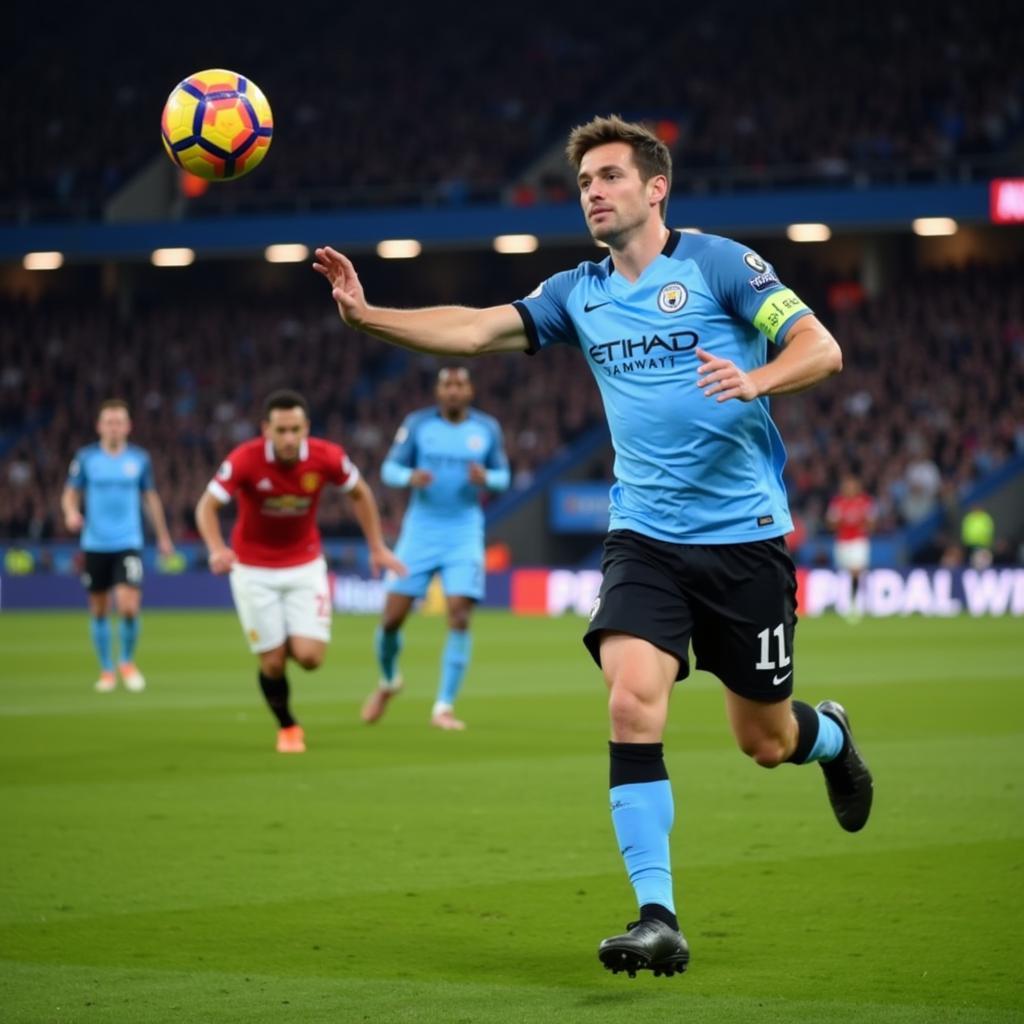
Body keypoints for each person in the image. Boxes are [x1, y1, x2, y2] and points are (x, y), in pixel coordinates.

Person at [312, 114, 873, 977]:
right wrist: (367, 316)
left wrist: (754, 378)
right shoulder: (578, 292)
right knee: (628, 703)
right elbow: (471, 329)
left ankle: (828, 737)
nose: (594, 194)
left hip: (745, 543)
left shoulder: (719, 264)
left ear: (655, 189)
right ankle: (659, 916)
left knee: (763, 740)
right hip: (644, 537)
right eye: (583, 184)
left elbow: (820, 346)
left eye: (609, 177)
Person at [194, 389, 405, 753]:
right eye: (281, 430)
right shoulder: (245, 459)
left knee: (309, 658)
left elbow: (361, 493)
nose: (289, 438)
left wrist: (376, 546)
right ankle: (288, 726)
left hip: (305, 565)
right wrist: (216, 549)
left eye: (295, 429)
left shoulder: (327, 457)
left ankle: (280, 637)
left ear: (306, 427)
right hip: (252, 569)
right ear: (266, 429)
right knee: (273, 664)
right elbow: (207, 505)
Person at [362, 365, 510, 731]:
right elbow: (388, 470)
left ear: (470, 390)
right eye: (448, 385)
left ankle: (443, 706)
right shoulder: (418, 425)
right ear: (438, 391)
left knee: (459, 614)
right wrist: (409, 476)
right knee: (392, 619)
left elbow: (504, 477)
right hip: (420, 532)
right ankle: (389, 680)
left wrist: (487, 478)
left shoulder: (487, 429)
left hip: (463, 532)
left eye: (461, 384)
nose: (454, 390)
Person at [61, 399, 175, 693]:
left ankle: (126, 661)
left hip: (128, 542)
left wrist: (163, 536)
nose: (113, 427)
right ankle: (106, 669)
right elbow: (70, 493)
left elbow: (151, 498)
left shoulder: (139, 459)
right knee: (99, 609)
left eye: (119, 422)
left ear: (128, 426)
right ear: (100, 426)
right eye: (108, 422)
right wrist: (70, 513)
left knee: (128, 606)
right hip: (95, 543)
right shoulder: (86, 458)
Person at [826, 473, 876, 621]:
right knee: (844, 573)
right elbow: (830, 524)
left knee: (857, 571)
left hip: (859, 541)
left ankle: (857, 603)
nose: (849, 489)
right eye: (846, 487)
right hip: (842, 541)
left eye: (852, 486)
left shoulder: (865, 501)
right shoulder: (837, 502)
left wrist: (860, 523)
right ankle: (845, 602)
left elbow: (872, 523)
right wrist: (841, 521)